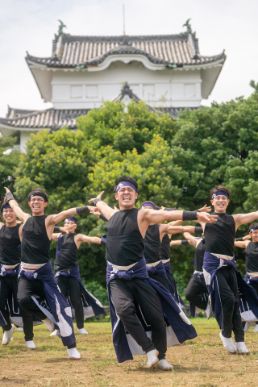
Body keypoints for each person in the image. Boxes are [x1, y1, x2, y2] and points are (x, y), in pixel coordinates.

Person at [91, 176, 217, 370]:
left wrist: (195, 214)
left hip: (139, 275)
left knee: (157, 317)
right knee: (123, 310)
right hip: (116, 277)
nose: (126, 192)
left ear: (136, 196)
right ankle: (150, 350)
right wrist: (97, 201)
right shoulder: (112, 215)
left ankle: (162, 356)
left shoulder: (142, 215)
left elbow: (166, 216)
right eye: (122, 190)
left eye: (130, 190)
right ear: (116, 196)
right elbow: (101, 205)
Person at [4, 187, 94, 359]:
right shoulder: (25, 218)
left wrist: (87, 208)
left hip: (44, 273)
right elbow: (14, 206)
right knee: (23, 299)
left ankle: (71, 348)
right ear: (29, 203)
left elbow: (66, 212)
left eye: (39, 199)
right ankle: (48, 321)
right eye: (33, 200)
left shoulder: (49, 220)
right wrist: (9, 195)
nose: (36, 202)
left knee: (61, 308)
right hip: (25, 273)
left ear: (44, 203)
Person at [201, 185, 258, 354]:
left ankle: (240, 340)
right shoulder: (204, 218)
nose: (220, 200)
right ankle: (225, 334)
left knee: (235, 301)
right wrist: (197, 211)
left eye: (224, 198)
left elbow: (255, 214)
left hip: (229, 265)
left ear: (228, 201)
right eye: (217, 198)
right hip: (212, 266)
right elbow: (177, 216)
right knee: (226, 300)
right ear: (212, 201)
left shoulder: (235, 219)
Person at [51, 216, 105, 336]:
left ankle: (80, 327)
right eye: (65, 223)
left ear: (75, 225)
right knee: (60, 302)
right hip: (60, 272)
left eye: (70, 223)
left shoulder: (77, 237)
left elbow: (91, 239)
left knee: (76, 300)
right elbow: (46, 230)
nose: (67, 224)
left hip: (72, 274)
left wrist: (104, 241)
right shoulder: (58, 236)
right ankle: (58, 328)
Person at [171, 232, 209, 317]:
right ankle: (207, 305)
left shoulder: (216, 242)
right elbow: (187, 238)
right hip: (198, 275)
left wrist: (183, 229)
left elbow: (187, 236)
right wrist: (175, 240)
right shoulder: (199, 241)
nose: (203, 232)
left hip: (211, 275)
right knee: (189, 294)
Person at [0, 203, 22, 345]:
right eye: (5, 211)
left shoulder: (21, 227)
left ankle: (29, 332)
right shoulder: (1, 227)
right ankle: (7, 328)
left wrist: (11, 199)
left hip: (19, 271)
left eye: (11, 211)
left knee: (22, 301)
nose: (8, 213)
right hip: (1, 271)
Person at [234, 224, 258, 332]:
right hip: (249, 277)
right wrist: (243, 238)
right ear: (250, 234)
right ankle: (246, 320)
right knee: (240, 296)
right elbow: (230, 241)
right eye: (254, 232)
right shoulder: (247, 243)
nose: (256, 234)